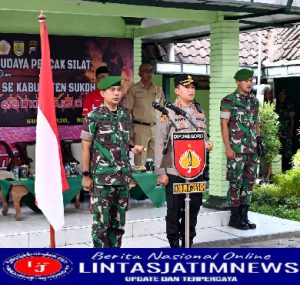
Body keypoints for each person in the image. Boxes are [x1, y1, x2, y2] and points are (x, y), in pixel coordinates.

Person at [80, 76, 143, 248]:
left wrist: (132, 148)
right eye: (112, 90)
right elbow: (86, 148)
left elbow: (120, 142)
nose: (116, 93)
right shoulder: (93, 116)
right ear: (102, 93)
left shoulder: (124, 115)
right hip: (102, 180)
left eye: (118, 90)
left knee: (118, 226)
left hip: (122, 179)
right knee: (101, 226)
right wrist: (86, 175)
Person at [155, 74, 213, 248]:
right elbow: (159, 142)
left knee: (193, 207)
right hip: (174, 170)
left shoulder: (199, 112)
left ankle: (188, 240)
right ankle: (174, 243)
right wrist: (161, 172)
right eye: (187, 87)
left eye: (193, 87)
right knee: (174, 209)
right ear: (177, 90)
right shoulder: (168, 112)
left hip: (196, 170)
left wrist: (206, 145)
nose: (191, 90)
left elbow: (200, 138)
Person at [220, 68, 259, 231]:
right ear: (237, 82)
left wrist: (259, 142)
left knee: (248, 184)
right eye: (246, 80)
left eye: (251, 80)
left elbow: (256, 123)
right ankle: (234, 218)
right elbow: (224, 125)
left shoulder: (254, 101)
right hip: (236, 150)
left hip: (252, 150)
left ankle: (244, 216)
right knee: (235, 183)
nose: (249, 83)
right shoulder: (228, 100)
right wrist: (227, 148)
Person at [124, 63, 165, 166]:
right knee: (140, 161)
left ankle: (154, 181)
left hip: (156, 128)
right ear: (140, 73)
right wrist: (129, 131)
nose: (149, 73)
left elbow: (163, 110)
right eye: (146, 71)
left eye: (151, 71)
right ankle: (141, 182)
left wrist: (162, 127)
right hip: (140, 128)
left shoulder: (158, 89)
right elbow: (127, 112)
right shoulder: (134, 89)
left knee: (156, 161)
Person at [276, 89, 295, 171]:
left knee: (287, 151)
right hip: (277, 132)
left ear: (286, 95)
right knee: (278, 151)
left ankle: (288, 169)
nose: (281, 96)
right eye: (280, 94)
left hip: (286, 132)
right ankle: (279, 169)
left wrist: (290, 131)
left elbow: (292, 119)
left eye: (283, 94)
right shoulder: (275, 104)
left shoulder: (289, 105)